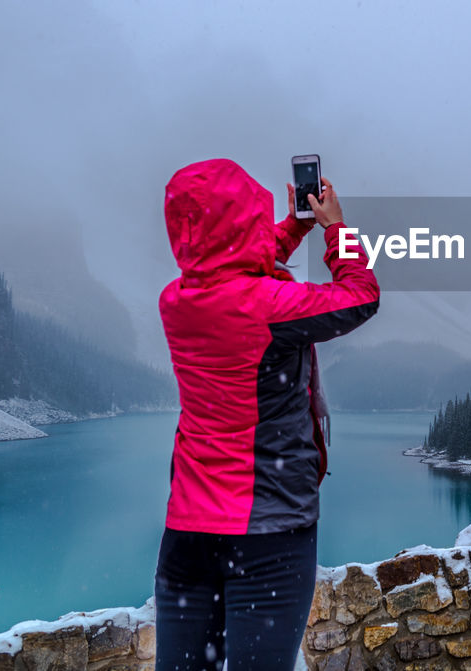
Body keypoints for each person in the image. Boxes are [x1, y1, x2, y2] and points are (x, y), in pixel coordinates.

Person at [153, 158, 379, 671]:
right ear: (242, 222)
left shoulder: (176, 300)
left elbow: (225, 263)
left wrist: (295, 226)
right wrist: (334, 229)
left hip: (188, 533)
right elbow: (360, 295)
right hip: (269, 533)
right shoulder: (269, 306)